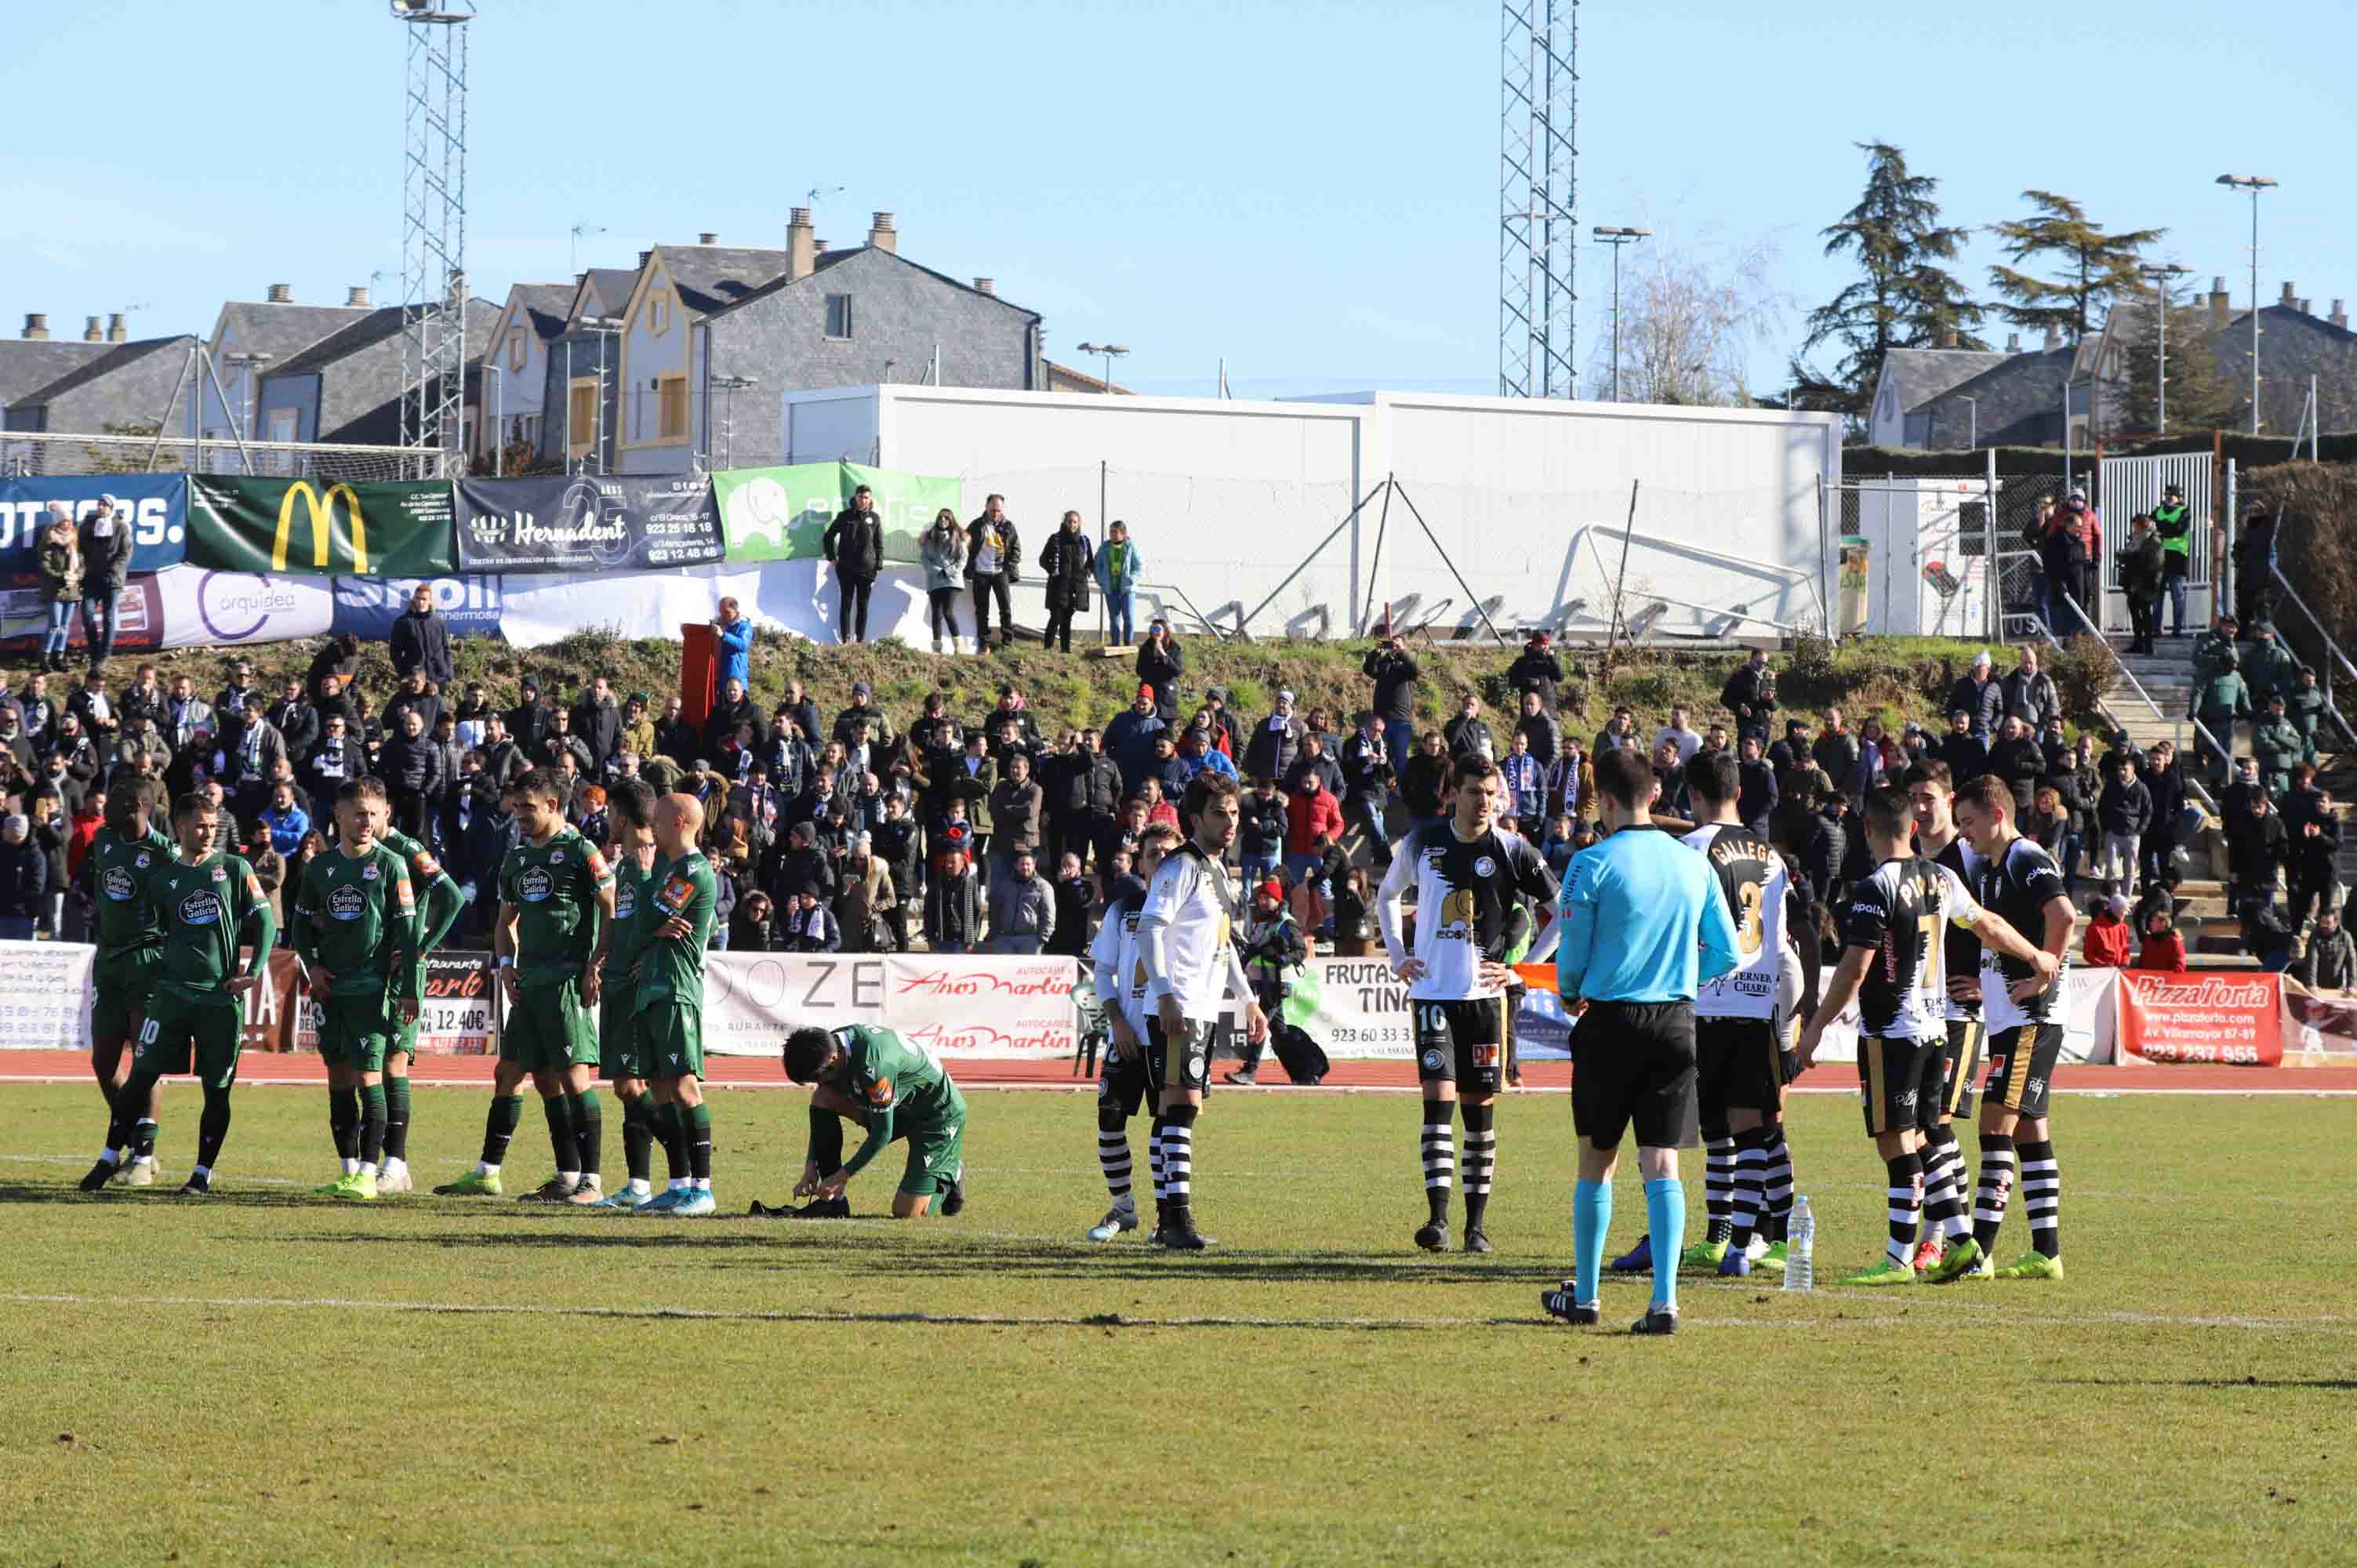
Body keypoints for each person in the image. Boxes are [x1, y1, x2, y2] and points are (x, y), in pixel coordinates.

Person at [1793, 785, 2055, 1287]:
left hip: (1892, 1031)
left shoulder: (1876, 887)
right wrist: (2036, 956)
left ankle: (1897, 1259)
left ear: (1867, 831)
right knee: (1925, 1136)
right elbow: (1991, 925)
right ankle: (1963, 1243)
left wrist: (1816, 1029)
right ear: (1913, 827)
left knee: (1895, 1141)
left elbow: (1854, 968)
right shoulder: (1942, 877)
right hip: (1940, 1029)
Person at [1534, 748, 1738, 1335]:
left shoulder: (1590, 863)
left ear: (1604, 801)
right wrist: (1680, 982)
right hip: (1675, 1022)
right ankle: (1665, 1303)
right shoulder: (1692, 863)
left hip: (1610, 1023)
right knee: (1663, 1162)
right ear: (1654, 795)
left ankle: (1589, 1296)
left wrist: (1570, 991)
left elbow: (1571, 951)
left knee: (1597, 1162)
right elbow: (1726, 952)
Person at [1375, 755, 1557, 1254]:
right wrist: (1398, 955)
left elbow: (1560, 910)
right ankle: (1437, 1220)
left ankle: (1476, 1227)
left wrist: (1521, 970)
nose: (1484, 803)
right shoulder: (1423, 842)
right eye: (1475, 792)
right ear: (1453, 793)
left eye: (1492, 794)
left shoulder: (1514, 849)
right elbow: (1387, 894)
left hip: (1485, 1002)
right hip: (1433, 994)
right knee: (1438, 1102)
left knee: (1479, 1114)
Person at [78, 791, 276, 1196]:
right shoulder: (163, 879)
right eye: (200, 825)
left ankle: (202, 1174)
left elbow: (267, 922)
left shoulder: (235, 869)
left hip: (219, 1001)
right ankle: (110, 1156)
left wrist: (253, 971)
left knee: (217, 1089)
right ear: (182, 826)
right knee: (140, 1077)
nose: (207, 833)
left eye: (213, 826)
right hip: (170, 996)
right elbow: (152, 927)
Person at [434, 769, 614, 1203]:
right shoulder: (516, 858)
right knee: (514, 1074)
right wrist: (508, 961)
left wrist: (596, 963)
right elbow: (504, 921)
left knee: (573, 1078)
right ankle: (495, 1174)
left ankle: (591, 1180)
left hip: (567, 982)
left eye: (528, 807)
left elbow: (611, 910)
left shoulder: (581, 852)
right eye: (516, 807)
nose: (520, 815)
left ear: (553, 806)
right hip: (529, 983)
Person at [1677, 751, 1819, 1279]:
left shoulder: (1690, 849)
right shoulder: (1773, 859)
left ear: (1694, 794)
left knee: (1729, 1128)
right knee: (1742, 1127)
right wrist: (1789, 1015)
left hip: (1706, 1001)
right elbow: (1787, 948)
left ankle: (1738, 1240)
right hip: (1757, 1003)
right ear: (1739, 791)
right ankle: (1733, 1240)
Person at [1948, 773, 2079, 1282]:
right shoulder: (1992, 869)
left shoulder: (2027, 857)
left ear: (1997, 815)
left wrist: (2046, 973)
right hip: (2011, 1014)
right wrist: (1990, 985)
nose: (1965, 834)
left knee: (1994, 1125)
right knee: (2030, 1129)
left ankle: (1978, 1250)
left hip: (2031, 1018)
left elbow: (2064, 915)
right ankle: (2047, 1253)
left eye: (1969, 823)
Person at [1136, 773, 1267, 1249]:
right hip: (1181, 1005)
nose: (1230, 821)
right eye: (1219, 812)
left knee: (1181, 1106)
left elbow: (1224, 944)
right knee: (1181, 1104)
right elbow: (1150, 929)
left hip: (1203, 1007)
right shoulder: (1180, 867)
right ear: (1195, 819)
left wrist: (1248, 998)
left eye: (1234, 812)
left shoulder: (1217, 872)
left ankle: (1171, 1219)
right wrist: (1167, 992)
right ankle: (1176, 1219)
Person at [289, 779, 421, 1203]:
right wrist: (313, 967)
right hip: (332, 990)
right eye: (358, 813)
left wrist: (407, 989)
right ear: (340, 817)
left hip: (372, 988)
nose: (366, 821)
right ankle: (348, 1171)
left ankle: (370, 1172)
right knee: (338, 1078)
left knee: (369, 1076)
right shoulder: (320, 868)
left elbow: (408, 932)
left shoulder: (391, 865)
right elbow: (300, 925)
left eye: (373, 813)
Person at [1903, 760, 1993, 1272]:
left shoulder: (1971, 861)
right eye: (1913, 796)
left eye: (1929, 796)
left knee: (1934, 1123)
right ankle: (1945, 1235)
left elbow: (2003, 924)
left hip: (1960, 1012)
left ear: (1950, 799)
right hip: (1920, 1013)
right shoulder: (1910, 858)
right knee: (1922, 1126)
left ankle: (1942, 1238)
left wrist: (1987, 979)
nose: (1920, 806)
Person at [73, 781, 174, 1186]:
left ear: (135, 805)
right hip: (109, 961)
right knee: (104, 1063)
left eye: (111, 801)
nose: (101, 807)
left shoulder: (164, 853)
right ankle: (135, 1138)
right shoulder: (103, 839)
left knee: (145, 1061)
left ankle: (144, 1158)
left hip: (147, 961)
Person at [586, 778, 675, 1209]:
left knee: (633, 1085)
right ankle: (638, 1184)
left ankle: (686, 1164)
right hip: (618, 982)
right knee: (629, 1085)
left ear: (621, 815)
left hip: (641, 989)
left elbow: (686, 922)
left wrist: (654, 955)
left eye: (609, 814)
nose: (606, 821)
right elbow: (619, 920)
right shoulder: (623, 865)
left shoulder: (660, 862)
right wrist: (599, 959)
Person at [630, 793, 721, 1214]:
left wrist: (647, 878)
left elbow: (645, 919)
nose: (652, 828)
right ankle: (679, 1184)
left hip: (677, 990)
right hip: (655, 986)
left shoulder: (694, 870)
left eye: (659, 821)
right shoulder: (676, 869)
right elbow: (648, 925)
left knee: (685, 1087)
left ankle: (702, 1190)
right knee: (663, 1089)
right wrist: (651, 929)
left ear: (681, 822)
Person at [776, 1024, 968, 1219]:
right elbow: (823, 1107)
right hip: (900, 1104)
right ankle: (834, 1203)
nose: (819, 1082)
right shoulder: (832, 1045)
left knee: (907, 1212)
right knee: (823, 1097)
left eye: (818, 1077)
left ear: (833, 1058)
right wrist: (811, 1165)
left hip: (936, 1117)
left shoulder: (875, 1065)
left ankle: (950, 1175)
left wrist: (842, 1177)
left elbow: (882, 1133)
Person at [819, 482, 885, 644]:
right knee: (846, 604)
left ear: (870, 500)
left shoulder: (875, 518)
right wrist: (831, 557)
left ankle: (859, 640)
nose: (863, 500)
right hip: (846, 568)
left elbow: (879, 543)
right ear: (855, 498)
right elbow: (828, 536)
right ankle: (845, 639)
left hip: (867, 570)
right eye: (861, 497)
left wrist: (878, 565)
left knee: (863, 606)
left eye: (866, 498)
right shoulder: (844, 516)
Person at [74, 495, 132, 671]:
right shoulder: (89, 525)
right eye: (99, 504)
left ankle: (104, 656)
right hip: (92, 578)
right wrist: (83, 568)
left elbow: (125, 553)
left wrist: (113, 570)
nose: (101, 507)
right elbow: (80, 549)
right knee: (87, 614)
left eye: (104, 505)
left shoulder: (121, 527)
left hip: (112, 579)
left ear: (111, 507)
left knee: (108, 617)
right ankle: (95, 651)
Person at [965, 494, 1020, 651]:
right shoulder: (976, 526)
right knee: (982, 610)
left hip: (1000, 572)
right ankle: (984, 643)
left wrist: (1009, 566)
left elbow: (1016, 548)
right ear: (986, 507)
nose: (995, 514)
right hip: (981, 573)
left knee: (1005, 608)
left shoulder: (1008, 526)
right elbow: (965, 547)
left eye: (998, 510)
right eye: (992, 510)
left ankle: (1007, 643)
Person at [1037, 509, 1095, 655]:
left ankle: (1065, 650)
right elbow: (1043, 560)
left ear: (1079, 523)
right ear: (1064, 522)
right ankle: (1048, 648)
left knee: (1067, 619)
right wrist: (1054, 571)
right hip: (1058, 586)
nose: (1072, 524)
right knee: (1055, 617)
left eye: (1075, 522)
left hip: (1075, 588)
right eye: (1070, 521)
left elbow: (1091, 562)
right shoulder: (1055, 539)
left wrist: (1086, 573)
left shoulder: (1084, 541)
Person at [911, 506, 968, 655]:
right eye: (940, 518)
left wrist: (948, 571)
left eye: (946, 518)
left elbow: (963, 558)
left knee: (948, 612)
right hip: (935, 581)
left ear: (951, 521)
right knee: (936, 614)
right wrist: (937, 571)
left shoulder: (958, 537)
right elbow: (924, 558)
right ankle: (937, 649)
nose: (943, 520)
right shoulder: (930, 538)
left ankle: (959, 646)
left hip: (952, 581)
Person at [35, 503, 81, 673]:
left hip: (72, 588)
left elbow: (81, 561)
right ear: (58, 522)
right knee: (55, 624)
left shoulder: (74, 538)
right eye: (65, 521)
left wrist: (78, 575)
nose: (68, 524)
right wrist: (60, 576)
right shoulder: (49, 538)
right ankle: (44, 657)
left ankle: (59, 656)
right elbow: (44, 564)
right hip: (55, 588)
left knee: (65, 625)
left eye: (70, 521)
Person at [1362, 635, 1421, 767]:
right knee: (1381, 755)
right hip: (1381, 719)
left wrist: (1402, 653)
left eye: (1398, 645)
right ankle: (1383, 785)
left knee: (1400, 757)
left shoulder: (1406, 664)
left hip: (1401, 718)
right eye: (1392, 645)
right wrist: (1376, 652)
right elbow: (1368, 670)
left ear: (1404, 647)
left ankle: (1401, 786)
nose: (1394, 648)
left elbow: (1415, 671)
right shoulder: (1384, 662)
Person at [2152, 483, 2198, 635]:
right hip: (2159, 558)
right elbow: (2150, 527)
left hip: (2177, 559)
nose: (2167, 499)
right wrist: (2167, 527)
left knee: (2177, 597)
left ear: (2179, 497)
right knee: (2157, 597)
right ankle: (2156, 629)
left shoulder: (2184, 511)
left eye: (2171, 496)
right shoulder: (2158, 510)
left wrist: (2161, 528)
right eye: (2166, 496)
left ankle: (2177, 630)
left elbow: (2178, 530)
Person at [2116, 514, 2166, 656]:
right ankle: (2138, 643)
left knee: (2145, 614)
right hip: (2134, 583)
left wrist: (2133, 562)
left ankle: (2148, 645)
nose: (2134, 529)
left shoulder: (2153, 541)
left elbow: (2154, 564)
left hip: (2146, 583)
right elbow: (2131, 553)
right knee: (2135, 613)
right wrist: (2124, 556)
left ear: (2143, 526)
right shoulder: (2136, 539)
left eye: (2136, 526)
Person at [389, 583, 453, 684]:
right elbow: (395, 653)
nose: (420, 602)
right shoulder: (403, 622)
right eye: (418, 598)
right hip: (415, 681)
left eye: (424, 599)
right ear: (414, 599)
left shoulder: (438, 621)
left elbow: (446, 649)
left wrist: (448, 673)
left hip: (439, 678)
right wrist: (405, 674)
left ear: (430, 601)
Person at [1094, 519, 1143, 648]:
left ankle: (1128, 642)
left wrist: (1131, 579)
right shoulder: (1104, 547)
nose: (1111, 534)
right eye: (1110, 532)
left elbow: (1138, 566)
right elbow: (1097, 565)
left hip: (1127, 589)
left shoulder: (1130, 546)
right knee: (1114, 617)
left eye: (1115, 532)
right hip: (1111, 588)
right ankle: (1115, 643)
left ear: (1123, 533)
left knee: (1128, 616)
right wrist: (1101, 581)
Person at [0, 812, 45, 942]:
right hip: (2, 912)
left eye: (6, 829)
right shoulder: (3, 850)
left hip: (23, 915)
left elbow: (37, 887)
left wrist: (23, 904)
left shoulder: (35, 855)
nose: (3, 831)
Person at [2292, 909, 2355, 993]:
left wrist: (2352, 985)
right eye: (2322, 922)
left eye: (2328, 923)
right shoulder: (2315, 935)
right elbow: (2312, 960)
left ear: (2336, 923)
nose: (2324, 925)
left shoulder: (2346, 937)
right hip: (2317, 984)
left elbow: (2351, 961)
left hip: (2336, 984)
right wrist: (2312, 984)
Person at [1719, 647, 1776, 740]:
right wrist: (1740, 707)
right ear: (1751, 660)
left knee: (1760, 755)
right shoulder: (1739, 677)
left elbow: (1775, 707)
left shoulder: (1768, 678)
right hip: (1747, 727)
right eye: (1759, 662)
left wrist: (1770, 700)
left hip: (1764, 728)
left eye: (1765, 663)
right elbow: (1724, 698)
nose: (1762, 666)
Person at [1135, 620, 1184, 723]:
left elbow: (1178, 671)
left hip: (1166, 695)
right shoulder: (1146, 647)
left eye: (1157, 629)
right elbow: (1139, 670)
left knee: (1165, 731)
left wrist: (1164, 655)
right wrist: (1152, 656)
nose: (1154, 632)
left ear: (1165, 631)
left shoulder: (1174, 648)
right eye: (1152, 629)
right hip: (1149, 693)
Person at [1508, 632, 1567, 713]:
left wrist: (1552, 660)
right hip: (1529, 709)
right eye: (1543, 644)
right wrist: (1527, 682)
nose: (1546, 647)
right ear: (1534, 645)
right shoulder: (1522, 662)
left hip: (1548, 708)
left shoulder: (1550, 661)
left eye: (1547, 644)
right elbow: (1512, 681)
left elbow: (1560, 678)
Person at [2083, 895, 2132, 967]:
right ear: (2117, 910)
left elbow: (2125, 950)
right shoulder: (2094, 928)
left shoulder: (2123, 927)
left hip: (2120, 970)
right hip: (2101, 972)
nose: (2126, 914)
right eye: (2125, 910)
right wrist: (2103, 965)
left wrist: (2125, 963)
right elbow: (2088, 954)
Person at [2133, 908, 2187, 972]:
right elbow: (2142, 962)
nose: (2151, 924)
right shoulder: (2148, 940)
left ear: (2163, 924)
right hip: (2148, 978)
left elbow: (2180, 966)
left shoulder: (2174, 942)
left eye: (2154, 921)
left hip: (2166, 980)